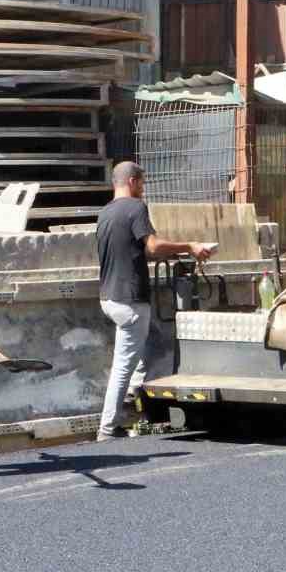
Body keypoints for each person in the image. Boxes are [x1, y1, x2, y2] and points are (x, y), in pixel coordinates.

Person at [96, 162, 214, 440]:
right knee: (124, 366)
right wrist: (190, 246)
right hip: (131, 299)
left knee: (135, 358)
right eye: (142, 183)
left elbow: (134, 251)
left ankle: (132, 405)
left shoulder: (105, 213)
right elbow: (152, 246)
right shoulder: (136, 208)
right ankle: (107, 428)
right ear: (133, 181)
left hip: (109, 297)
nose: (143, 188)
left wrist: (169, 254)